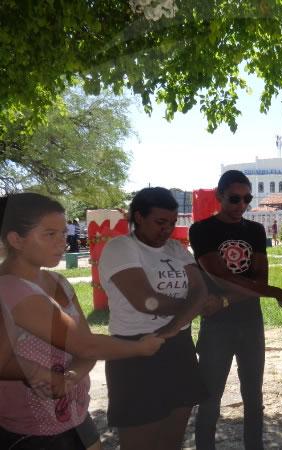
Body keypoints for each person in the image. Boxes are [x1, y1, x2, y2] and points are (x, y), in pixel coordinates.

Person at [0, 192, 164, 450]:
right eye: (50, 234)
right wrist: (140, 347)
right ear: (16, 239)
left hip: (74, 414)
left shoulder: (59, 283)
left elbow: (85, 344)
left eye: (64, 233)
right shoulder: (10, 289)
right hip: (32, 430)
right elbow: (87, 346)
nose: (62, 243)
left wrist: (70, 377)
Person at [98, 187, 214, 450]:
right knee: (140, 441)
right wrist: (192, 306)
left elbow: (201, 289)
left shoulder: (175, 248)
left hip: (178, 347)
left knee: (171, 439)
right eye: (160, 222)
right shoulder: (121, 247)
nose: (167, 230)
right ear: (138, 217)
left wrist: (172, 328)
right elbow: (145, 300)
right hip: (136, 351)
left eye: (172, 223)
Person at [189, 170, 282, 450]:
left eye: (246, 199)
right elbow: (218, 275)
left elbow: (260, 281)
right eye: (234, 199)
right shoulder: (201, 230)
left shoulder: (255, 230)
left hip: (250, 323)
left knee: (253, 397)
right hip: (216, 328)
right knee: (210, 398)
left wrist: (226, 300)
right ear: (219, 195)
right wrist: (269, 292)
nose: (241, 205)